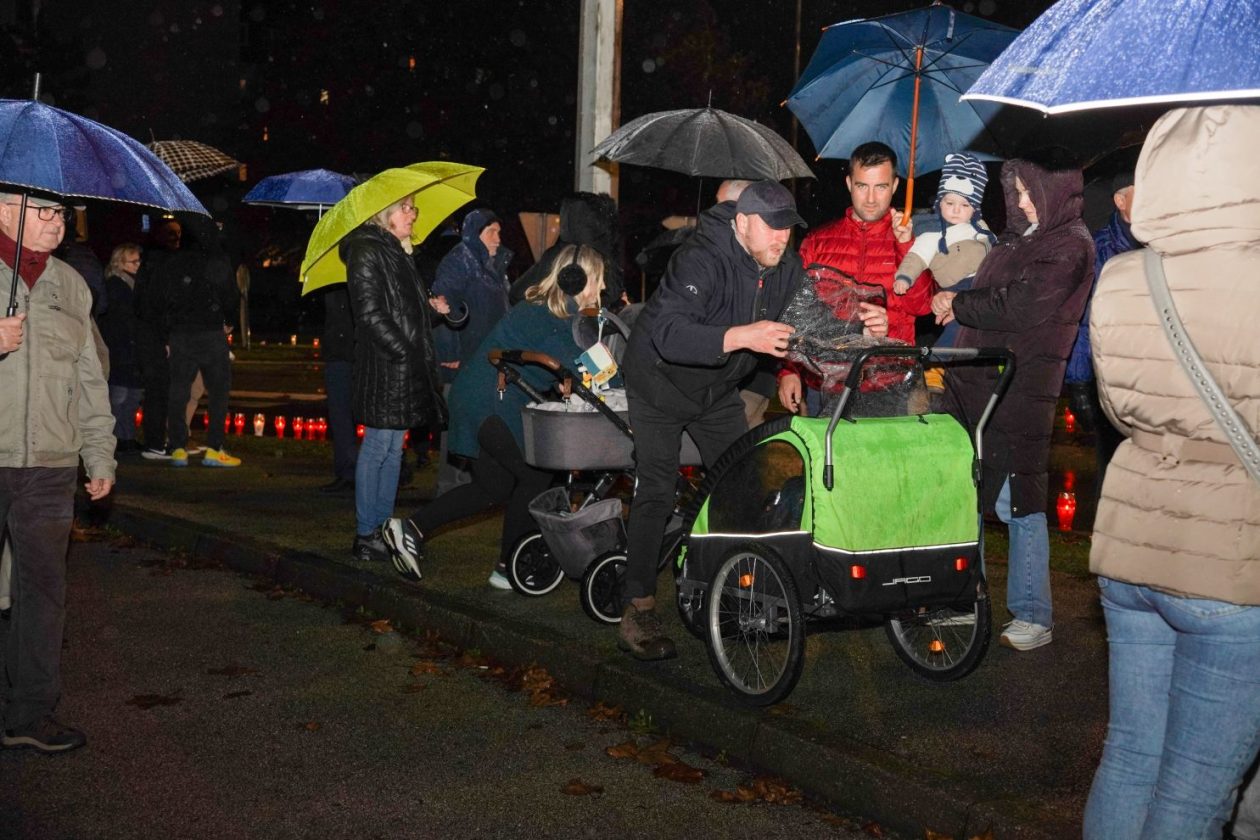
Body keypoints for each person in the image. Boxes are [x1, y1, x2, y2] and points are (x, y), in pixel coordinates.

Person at [1081, 105, 1260, 840]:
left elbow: (1119, 411)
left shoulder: (1124, 274)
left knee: (1128, 757)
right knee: (1193, 795)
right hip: (1232, 560)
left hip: (1132, 540)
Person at [619, 180, 888, 661]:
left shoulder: (784, 264)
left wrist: (862, 326)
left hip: (715, 388)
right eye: (770, 226)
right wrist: (744, 336)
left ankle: (730, 585)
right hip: (658, 382)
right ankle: (638, 607)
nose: (781, 237)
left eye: (788, 227)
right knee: (657, 490)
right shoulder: (701, 257)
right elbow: (667, 333)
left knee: (742, 484)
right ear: (742, 222)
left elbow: (812, 317)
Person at [931, 150, 1094, 652]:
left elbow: (1019, 306)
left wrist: (957, 303)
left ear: (1059, 191)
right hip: (978, 385)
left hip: (1020, 390)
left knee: (1019, 500)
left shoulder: (1069, 245)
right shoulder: (1015, 239)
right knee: (969, 494)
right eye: (1016, 191)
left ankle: (1033, 613)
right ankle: (964, 598)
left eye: (1031, 191)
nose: (1022, 201)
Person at [382, 244, 608, 587]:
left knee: (494, 486)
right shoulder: (551, 318)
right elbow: (591, 371)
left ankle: (410, 528)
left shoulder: (551, 313)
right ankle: (509, 567)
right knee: (535, 475)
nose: (603, 289)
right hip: (490, 400)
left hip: (484, 397)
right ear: (578, 280)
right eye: (600, 280)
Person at [0, 192, 115, 753]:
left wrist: (100, 455)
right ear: (4, 209)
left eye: (61, 214)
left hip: (50, 462)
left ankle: (30, 713)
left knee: (43, 591)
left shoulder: (71, 283)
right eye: (44, 212)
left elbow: (92, 377)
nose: (58, 223)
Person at [779, 141, 931, 416]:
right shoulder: (817, 242)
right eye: (863, 186)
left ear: (895, 186)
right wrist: (789, 371)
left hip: (889, 382)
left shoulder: (911, 243)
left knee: (883, 460)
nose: (871, 198)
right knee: (826, 459)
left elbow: (922, 307)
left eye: (881, 187)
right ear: (849, 183)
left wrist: (906, 247)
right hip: (826, 383)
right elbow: (795, 314)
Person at [345, 194, 455, 565]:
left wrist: (431, 312)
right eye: (405, 207)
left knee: (394, 450)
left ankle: (383, 528)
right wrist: (405, 351)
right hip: (385, 366)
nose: (413, 213)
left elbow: (404, 310)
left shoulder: (398, 251)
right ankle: (366, 534)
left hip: (402, 365)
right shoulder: (366, 250)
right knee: (378, 448)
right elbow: (370, 313)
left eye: (413, 207)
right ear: (384, 213)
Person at [1064, 169, 1137, 505]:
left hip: (1154, 379)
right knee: (1114, 470)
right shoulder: (1101, 249)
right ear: (1120, 201)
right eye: (1141, 193)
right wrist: (1078, 382)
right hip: (1109, 379)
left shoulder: (1165, 245)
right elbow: (1084, 318)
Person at [431, 208, 513, 495]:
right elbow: (442, 304)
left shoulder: (492, 266)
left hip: (483, 359)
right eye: (492, 232)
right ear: (475, 233)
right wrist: (449, 351)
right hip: (461, 358)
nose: (498, 238)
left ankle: (470, 484)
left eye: (499, 232)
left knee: (474, 423)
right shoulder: (460, 260)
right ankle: (450, 488)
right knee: (457, 425)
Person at [155, 215, 241, 468]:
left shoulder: (173, 261)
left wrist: (167, 331)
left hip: (181, 333)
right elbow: (229, 294)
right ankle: (214, 447)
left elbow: (163, 298)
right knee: (218, 392)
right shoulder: (217, 259)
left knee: (179, 389)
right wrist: (229, 319)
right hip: (210, 331)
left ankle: (178, 446)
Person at [509, 192, 623, 308]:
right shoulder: (597, 258)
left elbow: (517, 293)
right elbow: (611, 297)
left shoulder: (555, 254)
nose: (602, 286)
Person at [133, 218, 181, 459]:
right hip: (155, 336)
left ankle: (156, 440)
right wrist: (166, 338)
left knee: (158, 391)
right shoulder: (163, 264)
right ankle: (155, 441)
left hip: (150, 333)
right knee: (159, 391)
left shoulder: (151, 262)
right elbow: (160, 304)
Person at [97, 243, 145, 453]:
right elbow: (119, 320)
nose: (138, 265)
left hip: (131, 349)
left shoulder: (133, 284)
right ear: (120, 262)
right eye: (133, 261)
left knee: (131, 396)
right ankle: (116, 438)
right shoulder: (117, 285)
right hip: (121, 349)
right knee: (119, 397)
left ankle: (126, 436)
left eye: (138, 261)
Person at [317, 285, 357, 494]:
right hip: (338, 354)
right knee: (340, 415)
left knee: (371, 417)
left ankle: (390, 470)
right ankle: (346, 471)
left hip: (358, 354)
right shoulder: (332, 284)